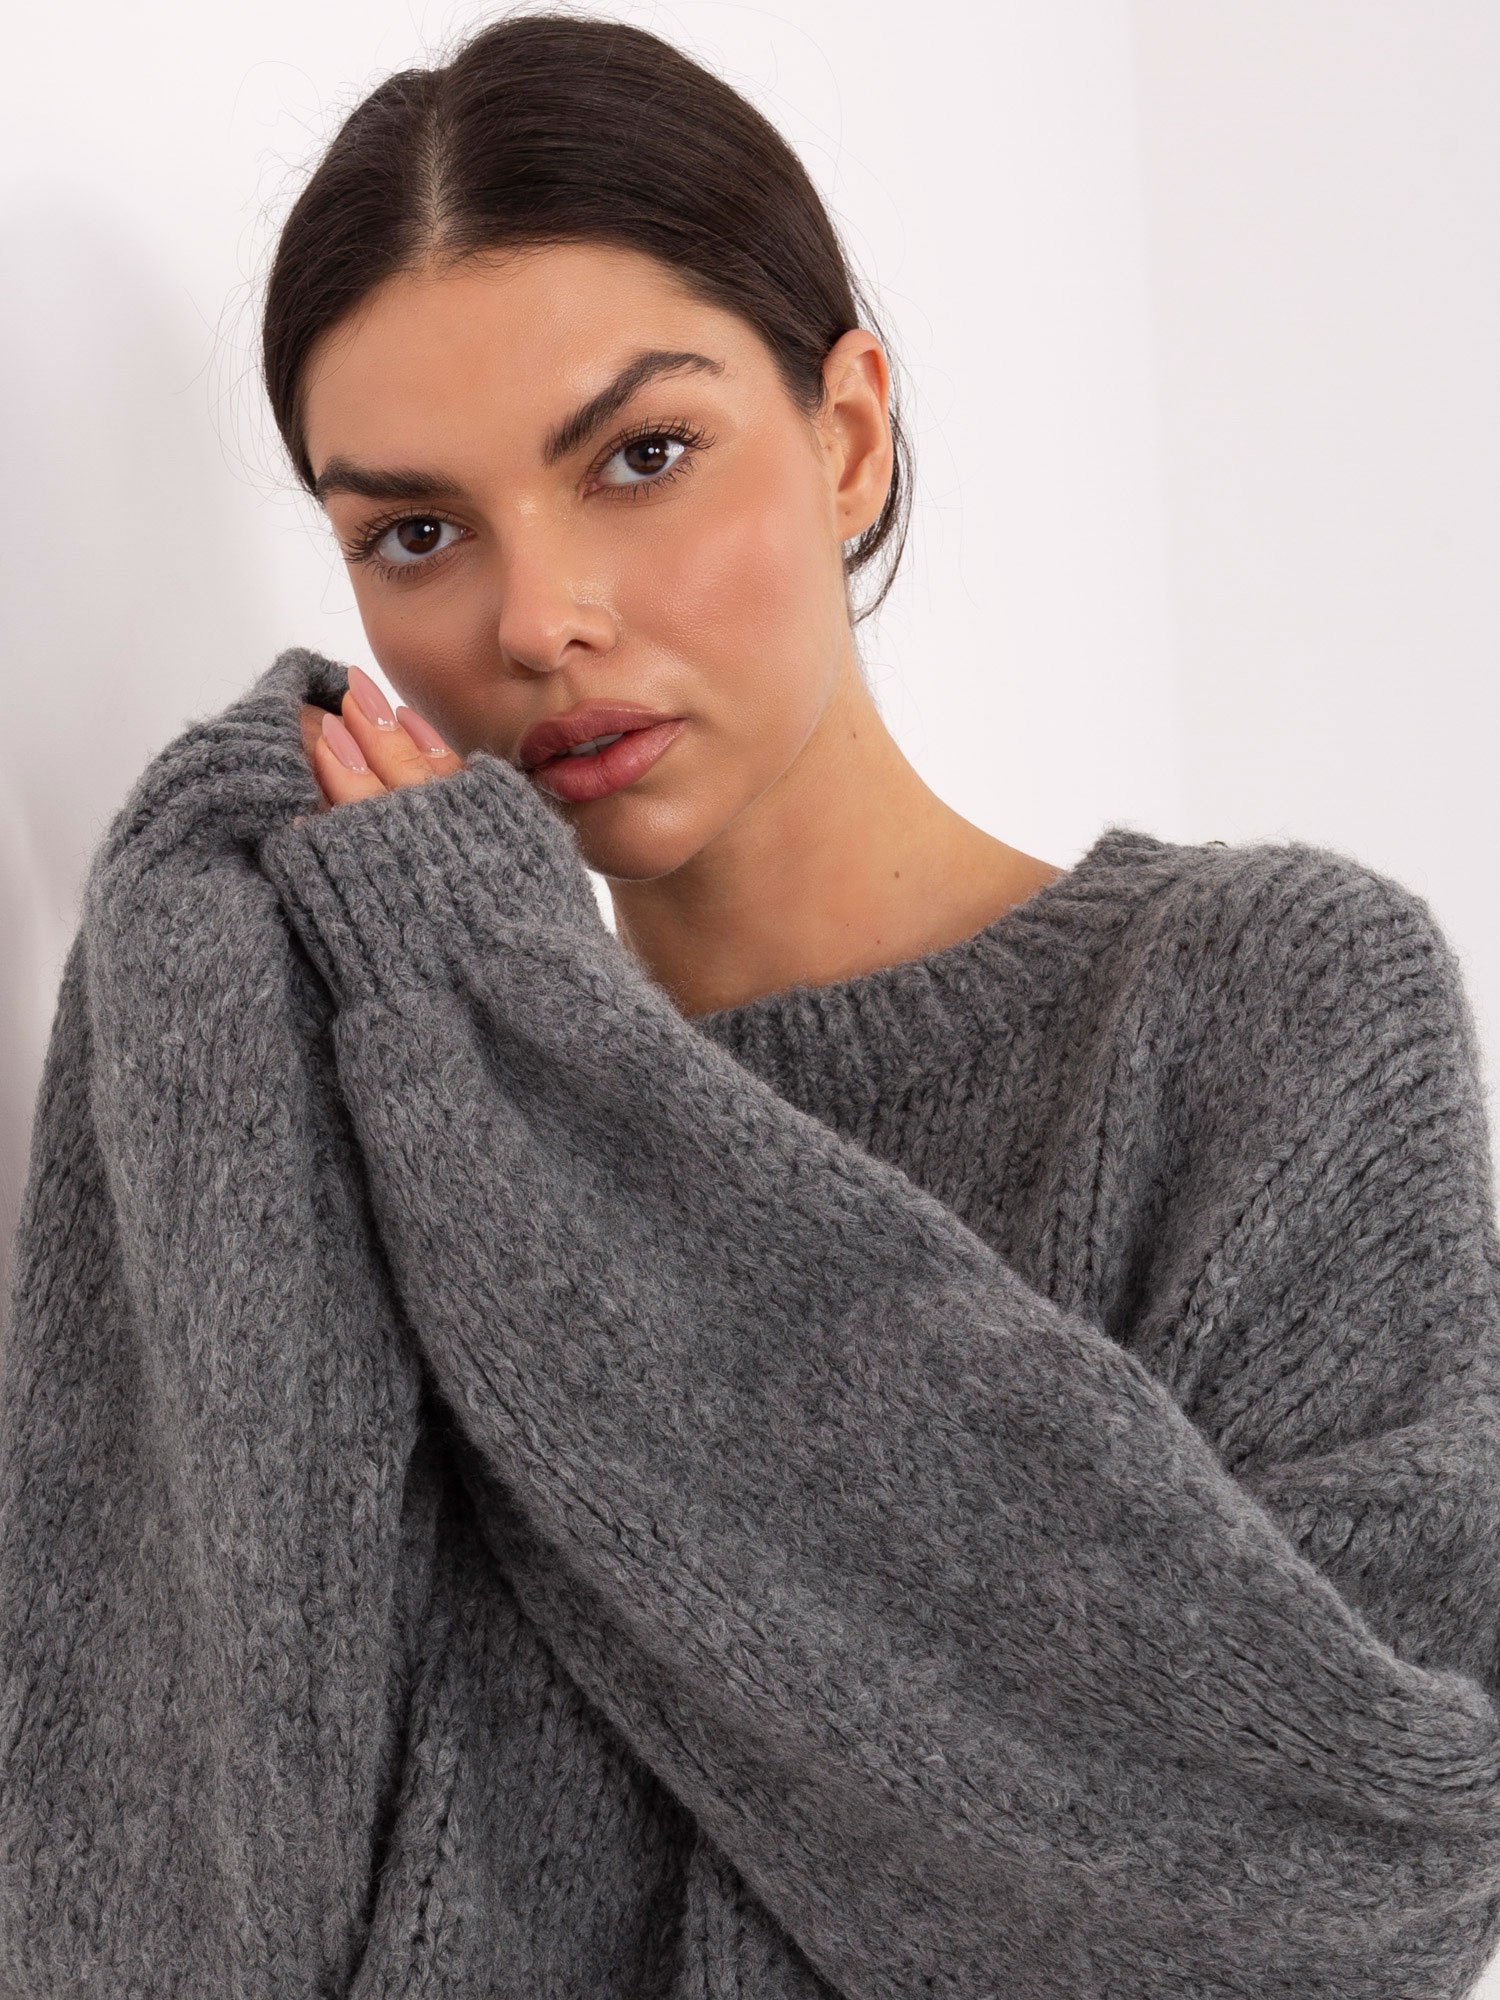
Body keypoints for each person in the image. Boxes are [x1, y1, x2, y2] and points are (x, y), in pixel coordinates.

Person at [4, 13, 1499, 2000]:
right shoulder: (359, 1098)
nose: (538, 619)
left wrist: (517, 1036)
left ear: (848, 436)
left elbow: (1348, 1882)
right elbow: (161, 1902)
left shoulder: (1262, 1012)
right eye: (416, 533)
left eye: (642, 456)